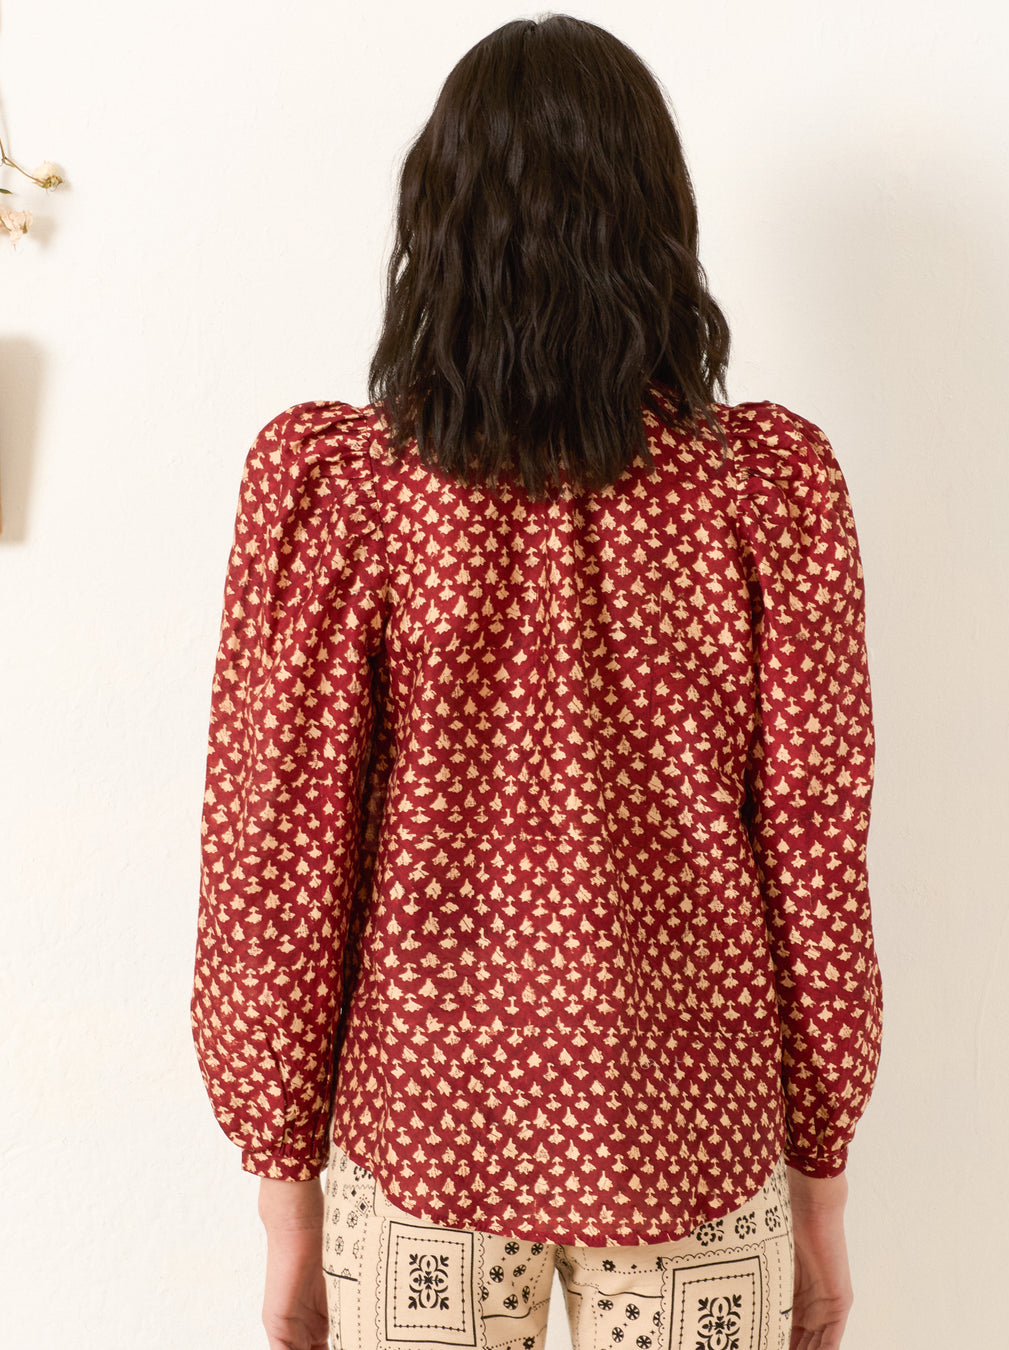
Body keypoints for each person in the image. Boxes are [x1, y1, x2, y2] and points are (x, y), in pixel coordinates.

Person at [189, 14, 884, 1350]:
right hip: (696, 1140)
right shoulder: (765, 491)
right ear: (659, 222)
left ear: (433, 227)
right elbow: (814, 855)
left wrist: (283, 1199)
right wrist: (821, 1187)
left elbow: (277, 855)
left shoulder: (345, 492)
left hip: (421, 1146)